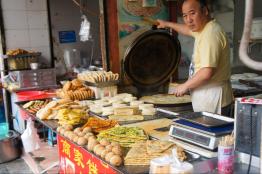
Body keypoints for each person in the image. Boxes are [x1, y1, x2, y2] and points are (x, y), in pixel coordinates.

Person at [157, 0, 233, 116]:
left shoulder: (210, 34)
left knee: (214, 134)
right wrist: (166, 24)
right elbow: (187, 29)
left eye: (192, 13)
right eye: (185, 15)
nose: (188, 19)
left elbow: (206, 72)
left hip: (214, 99)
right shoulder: (204, 28)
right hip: (207, 98)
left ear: (205, 11)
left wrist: (185, 86)